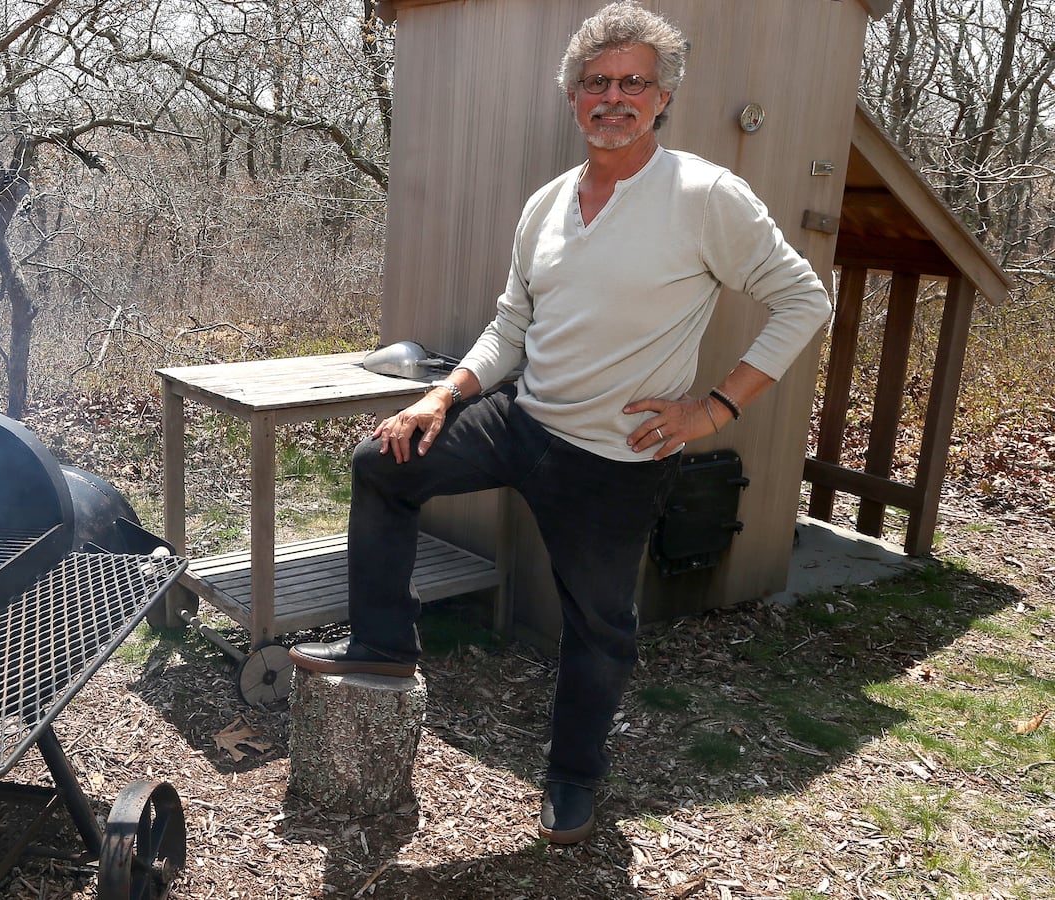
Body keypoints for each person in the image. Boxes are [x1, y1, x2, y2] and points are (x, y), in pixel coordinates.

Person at [287, 1, 832, 845]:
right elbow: (512, 325)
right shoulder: (546, 203)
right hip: (525, 422)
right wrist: (443, 395)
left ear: (662, 99)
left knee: (599, 626)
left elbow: (804, 298)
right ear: (574, 96)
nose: (612, 97)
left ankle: (574, 778)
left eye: (632, 83)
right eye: (596, 82)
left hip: (616, 458)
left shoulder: (704, 195)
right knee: (383, 462)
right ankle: (384, 643)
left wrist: (715, 406)